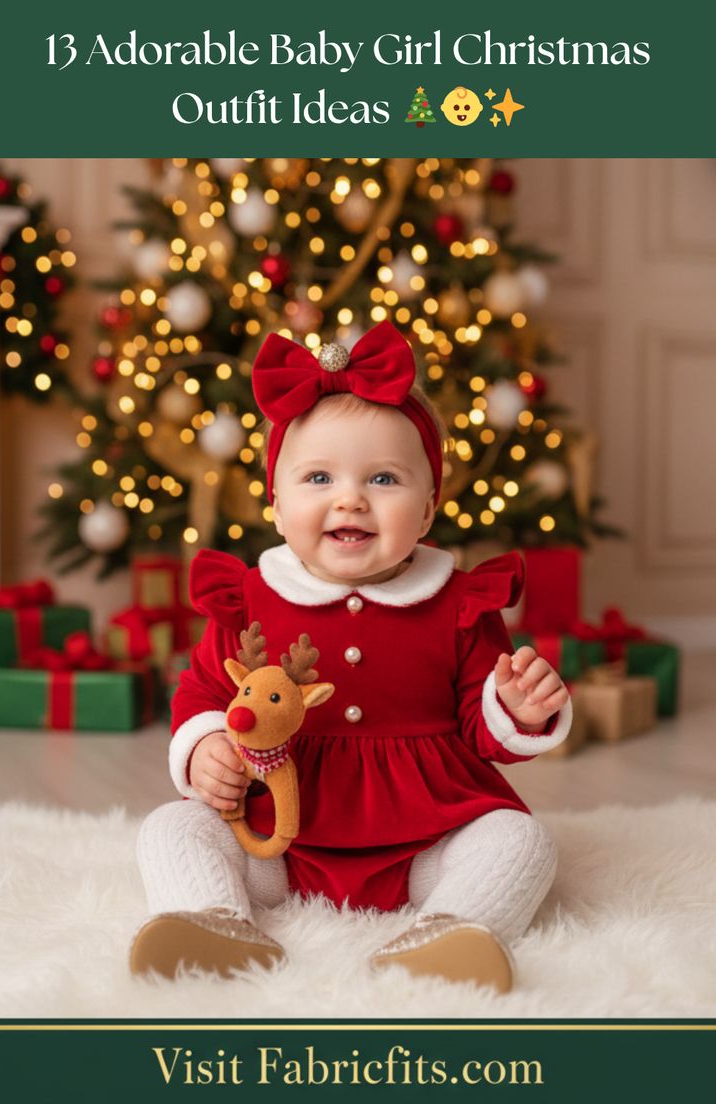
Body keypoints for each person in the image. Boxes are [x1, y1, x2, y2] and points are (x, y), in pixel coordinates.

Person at [131, 321, 572, 992]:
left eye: (384, 478)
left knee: (521, 840)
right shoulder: (249, 599)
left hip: (424, 846)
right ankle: (214, 919)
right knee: (172, 825)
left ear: (427, 510)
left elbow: (480, 727)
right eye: (318, 477)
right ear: (277, 505)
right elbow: (202, 691)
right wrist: (205, 748)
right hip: (277, 840)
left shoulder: (458, 603)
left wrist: (514, 708)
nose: (350, 498)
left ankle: (449, 931)